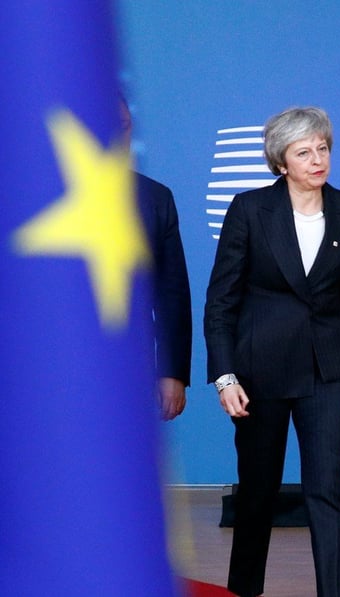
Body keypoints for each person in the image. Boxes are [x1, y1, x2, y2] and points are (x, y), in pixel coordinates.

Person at [204, 106, 340, 597]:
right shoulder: (250, 209)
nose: (318, 160)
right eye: (304, 152)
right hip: (259, 374)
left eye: (323, 148)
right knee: (257, 495)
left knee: (327, 491)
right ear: (280, 163)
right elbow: (222, 300)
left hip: (326, 371)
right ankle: (243, 591)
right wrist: (225, 376)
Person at [121, 94, 191, 420]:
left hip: (130, 367)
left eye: (123, 126)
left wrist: (171, 372)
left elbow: (170, 294)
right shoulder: (35, 193)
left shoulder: (155, 198)